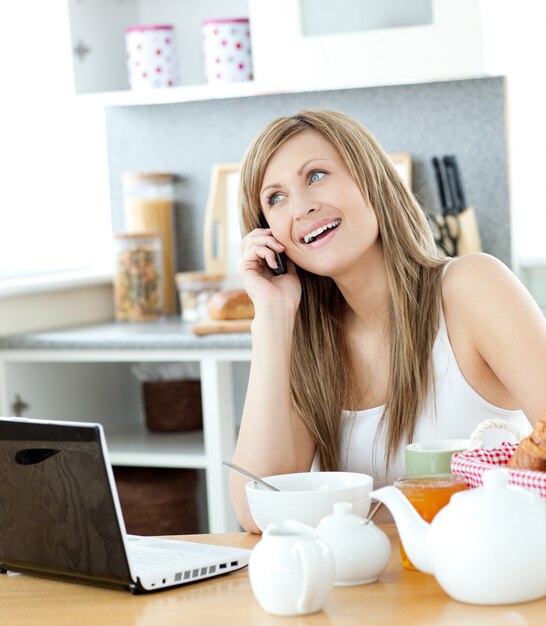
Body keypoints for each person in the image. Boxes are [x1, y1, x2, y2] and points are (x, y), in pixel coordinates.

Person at [229, 109, 546, 533]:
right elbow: (256, 512)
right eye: (276, 198)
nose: (302, 206)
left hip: (488, 580)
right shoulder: (307, 347)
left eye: (316, 175)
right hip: (367, 593)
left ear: (370, 178)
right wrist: (270, 317)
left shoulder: (471, 288)